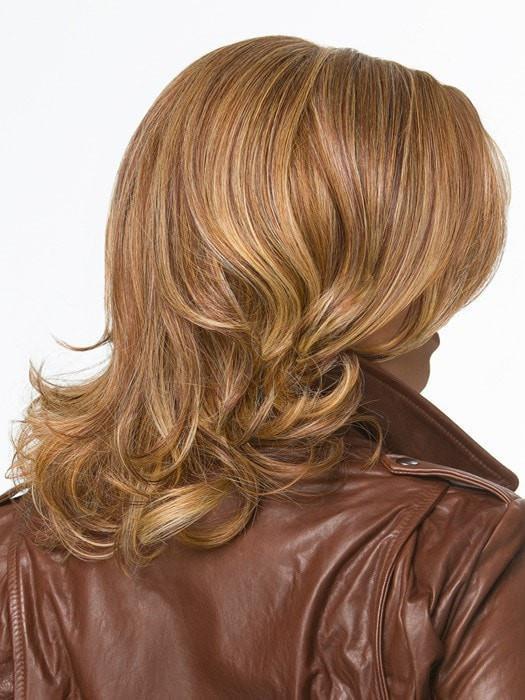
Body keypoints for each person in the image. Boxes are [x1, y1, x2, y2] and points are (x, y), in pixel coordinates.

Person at [0, 35, 523, 699]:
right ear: (346, 276)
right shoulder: (463, 552)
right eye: (431, 262)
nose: (447, 302)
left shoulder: (16, 557)